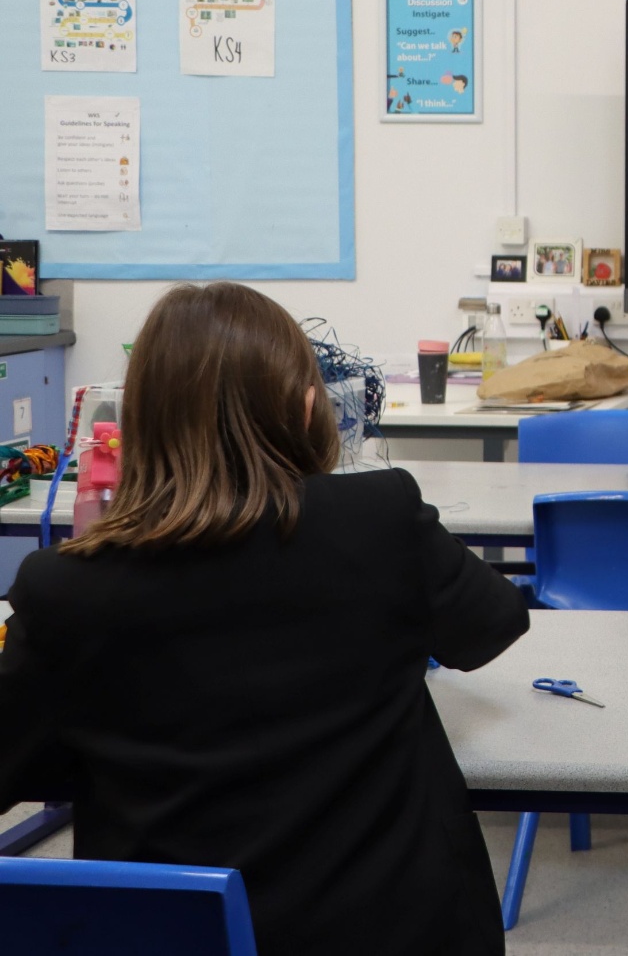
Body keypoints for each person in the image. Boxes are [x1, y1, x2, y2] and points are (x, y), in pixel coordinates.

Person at [0, 283, 529, 956]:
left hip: (179, 937)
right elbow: (492, 625)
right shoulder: (379, 517)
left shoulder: (64, 588)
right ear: (307, 407)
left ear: (140, 422)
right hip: (396, 929)